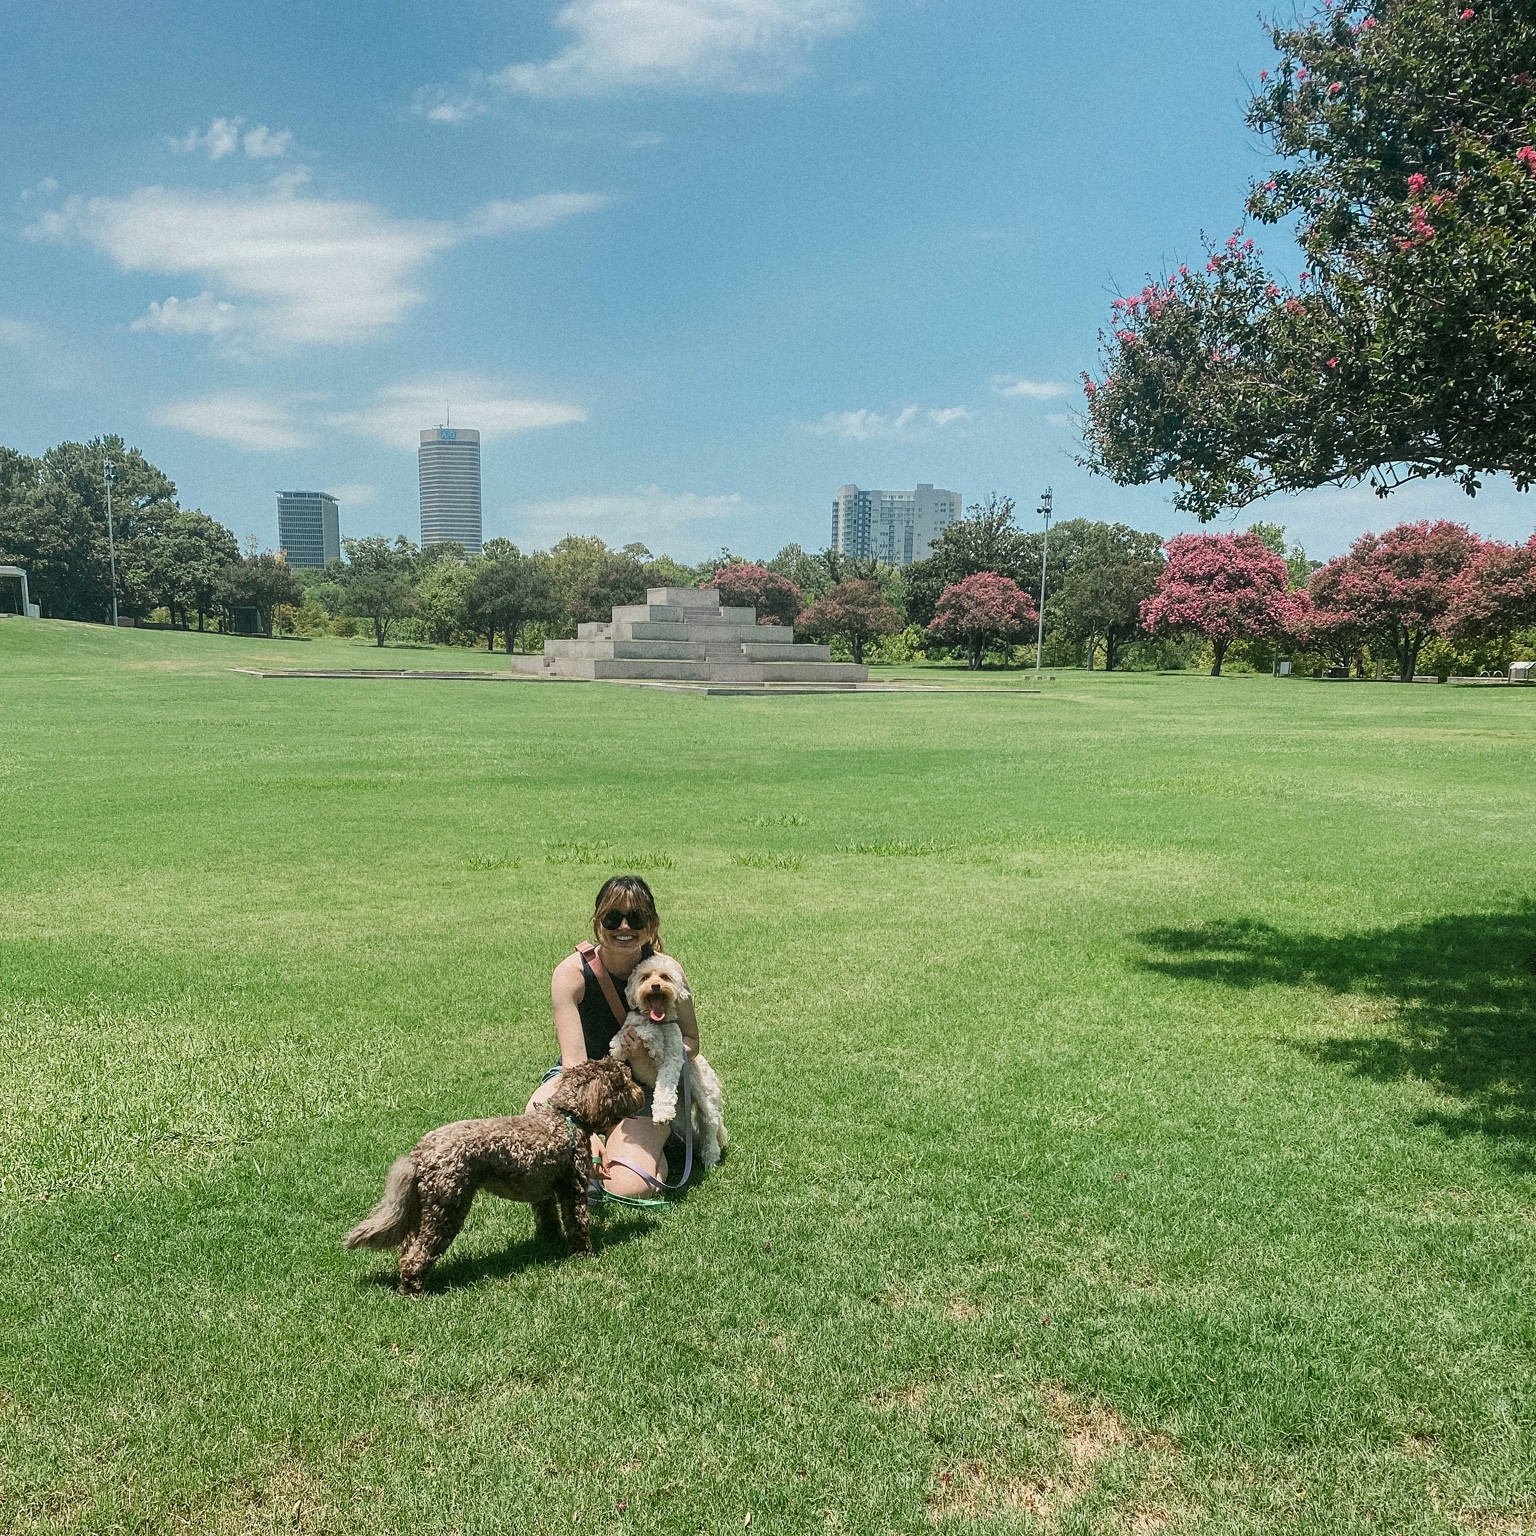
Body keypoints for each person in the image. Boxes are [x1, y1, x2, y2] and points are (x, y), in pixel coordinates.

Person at [526, 875, 700, 1199]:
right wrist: (582, 1128)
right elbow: (574, 1065)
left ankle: (651, 1147)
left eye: (635, 918)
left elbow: (691, 1040)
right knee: (536, 1131)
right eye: (612, 918)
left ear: (651, 924)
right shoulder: (571, 975)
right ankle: (606, 1142)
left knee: (627, 1187)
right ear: (598, 922)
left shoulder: (668, 972)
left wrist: (655, 1058)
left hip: (642, 1086)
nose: (624, 927)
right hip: (580, 1080)